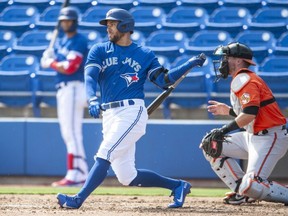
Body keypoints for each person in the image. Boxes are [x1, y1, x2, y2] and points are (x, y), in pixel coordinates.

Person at [56, 8, 205, 209]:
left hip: (131, 112)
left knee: (104, 153)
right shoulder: (99, 50)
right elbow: (90, 77)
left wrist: (188, 64)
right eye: (107, 25)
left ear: (125, 26)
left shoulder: (144, 54)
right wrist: (92, 99)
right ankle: (178, 186)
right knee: (127, 176)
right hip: (109, 114)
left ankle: (78, 199)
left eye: (112, 24)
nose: (108, 28)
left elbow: (163, 80)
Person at [201, 42, 288, 205]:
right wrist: (228, 111)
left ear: (238, 61)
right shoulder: (242, 79)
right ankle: (242, 191)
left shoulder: (245, 79)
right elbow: (253, 113)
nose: (223, 62)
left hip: (270, 137)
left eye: (227, 57)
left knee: (253, 185)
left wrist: (223, 129)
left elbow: (249, 114)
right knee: (211, 145)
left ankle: (250, 189)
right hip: (252, 135)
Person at [40, 7, 89, 187]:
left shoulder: (79, 40)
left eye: (69, 20)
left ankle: (75, 173)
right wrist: (49, 56)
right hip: (64, 88)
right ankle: (80, 171)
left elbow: (70, 67)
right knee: (69, 133)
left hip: (74, 87)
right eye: (63, 20)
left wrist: (50, 62)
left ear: (75, 22)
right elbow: (61, 63)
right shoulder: (62, 42)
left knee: (72, 133)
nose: (66, 23)